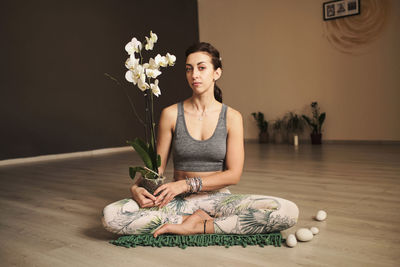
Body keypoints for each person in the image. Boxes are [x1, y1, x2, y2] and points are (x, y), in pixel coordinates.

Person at [102, 42, 299, 237]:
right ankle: (198, 223)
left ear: (217, 73)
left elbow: (234, 175)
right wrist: (136, 188)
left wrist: (186, 184)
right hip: (175, 202)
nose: (194, 74)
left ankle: (198, 226)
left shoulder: (232, 117)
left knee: (287, 211)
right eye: (189, 69)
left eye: (201, 68)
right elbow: (157, 168)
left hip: (218, 201)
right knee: (110, 216)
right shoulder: (170, 114)